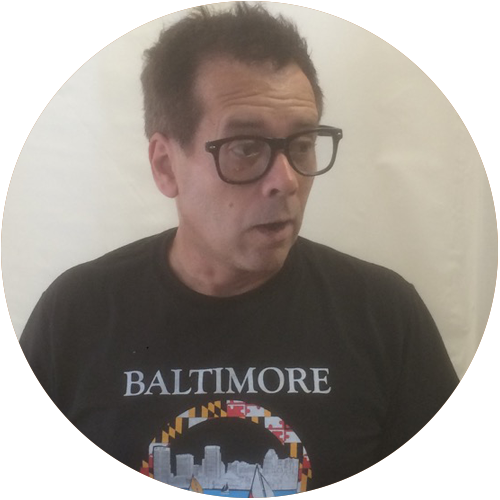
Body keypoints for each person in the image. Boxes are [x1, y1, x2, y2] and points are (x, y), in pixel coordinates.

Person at [17, 3, 464, 498]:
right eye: (246, 147)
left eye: (302, 143)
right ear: (165, 165)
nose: (286, 181)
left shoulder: (384, 313)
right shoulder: (76, 313)